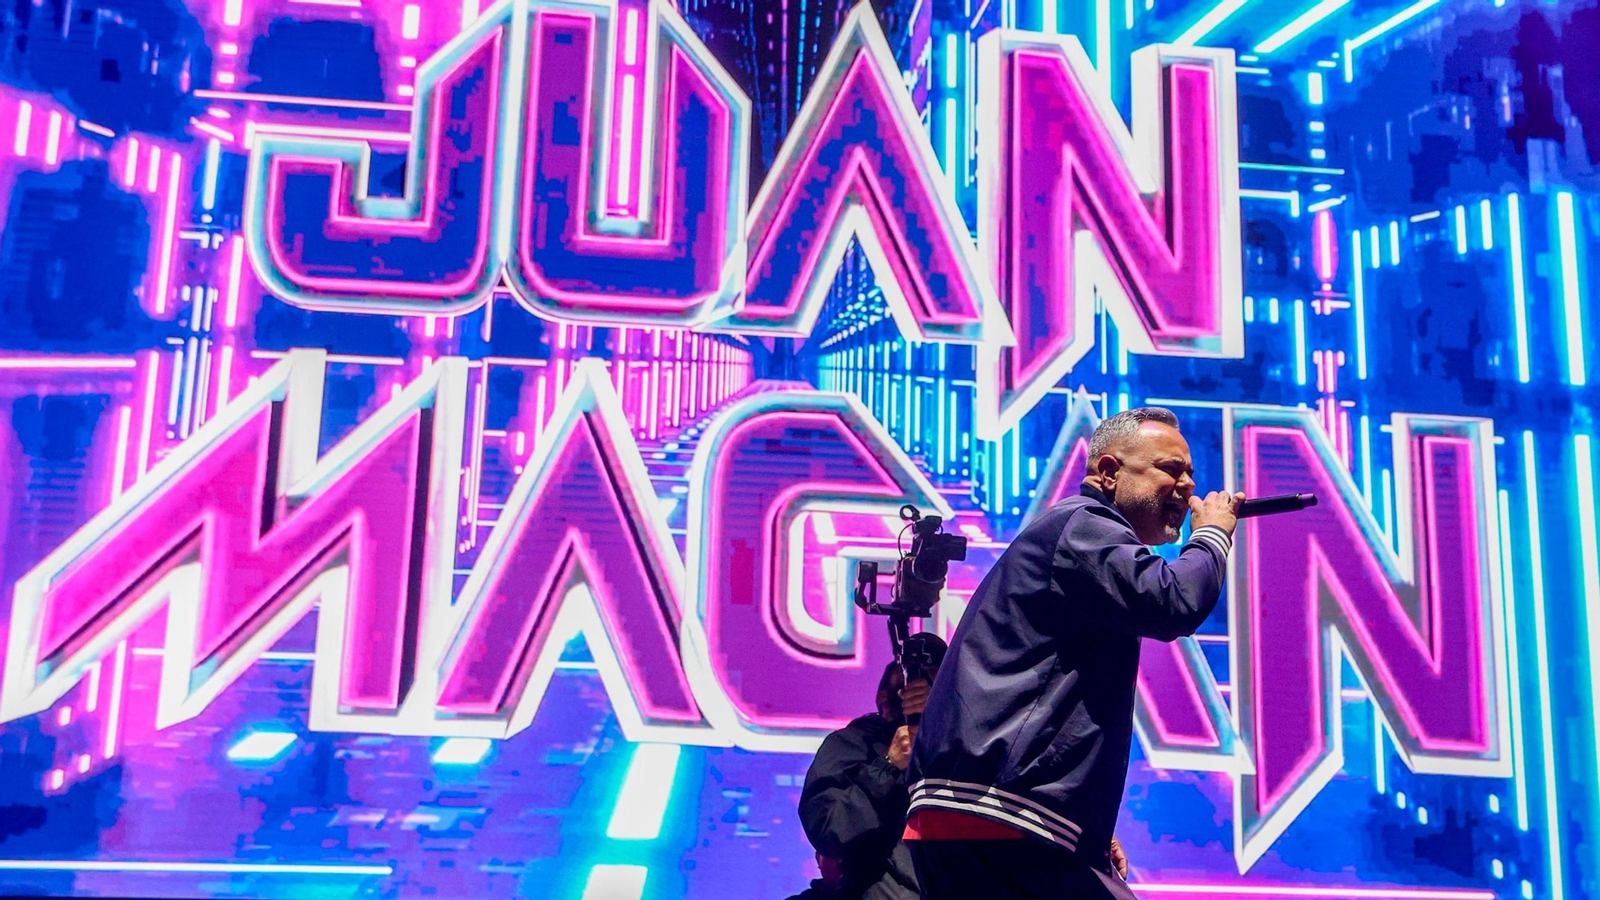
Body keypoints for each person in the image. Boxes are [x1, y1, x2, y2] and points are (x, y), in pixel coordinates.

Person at [905, 408, 1242, 899]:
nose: (1188, 487)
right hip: (998, 811)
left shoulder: (1077, 539)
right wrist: (1211, 535)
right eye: (1171, 469)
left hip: (994, 810)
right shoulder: (1085, 525)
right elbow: (1173, 601)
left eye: (1190, 473)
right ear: (1108, 473)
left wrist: (1082, 826)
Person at [796, 634, 947, 900]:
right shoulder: (853, 745)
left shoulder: (966, 749)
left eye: (933, 685)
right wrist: (887, 768)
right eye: (906, 684)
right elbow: (827, 828)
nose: (917, 693)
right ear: (883, 696)